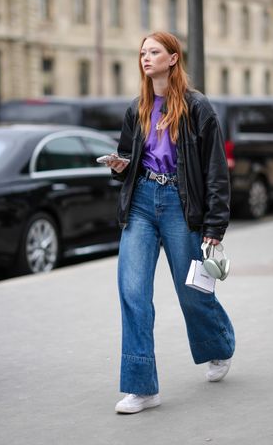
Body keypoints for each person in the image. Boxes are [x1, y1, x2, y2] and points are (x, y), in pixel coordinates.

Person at [104, 31, 235, 414]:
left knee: (192, 292)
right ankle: (142, 388)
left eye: (154, 52)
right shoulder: (137, 108)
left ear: (173, 58)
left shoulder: (198, 108)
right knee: (133, 293)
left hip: (181, 205)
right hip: (142, 203)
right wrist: (119, 166)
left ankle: (219, 346)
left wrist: (214, 226)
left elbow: (215, 171)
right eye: (142, 52)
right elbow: (129, 157)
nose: (146, 58)